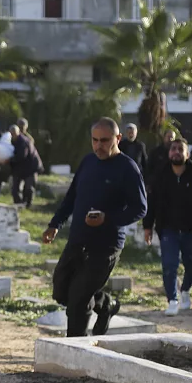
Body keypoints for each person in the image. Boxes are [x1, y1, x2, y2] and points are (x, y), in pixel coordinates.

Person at [42, 117, 147, 337]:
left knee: (78, 299)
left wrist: (107, 219)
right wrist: (55, 224)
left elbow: (140, 208)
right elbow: (71, 197)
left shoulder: (128, 168)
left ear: (118, 138)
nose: (99, 145)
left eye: (105, 140)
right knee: (62, 289)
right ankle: (105, 304)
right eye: (95, 140)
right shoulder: (88, 162)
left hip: (106, 246)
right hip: (79, 238)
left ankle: (76, 350)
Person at [143, 138, 192, 316]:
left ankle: (185, 291)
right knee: (169, 264)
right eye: (173, 149)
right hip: (168, 228)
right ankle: (172, 300)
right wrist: (147, 227)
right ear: (169, 153)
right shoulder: (160, 175)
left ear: (187, 154)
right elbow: (151, 203)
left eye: (180, 149)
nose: (176, 152)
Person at [9, 124, 42, 208]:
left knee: (29, 188)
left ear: (18, 133)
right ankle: (19, 204)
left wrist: (9, 160)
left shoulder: (23, 141)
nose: (13, 136)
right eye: (11, 134)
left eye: (14, 134)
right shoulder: (12, 140)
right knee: (15, 189)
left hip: (31, 167)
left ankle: (28, 204)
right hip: (20, 167)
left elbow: (21, 155)